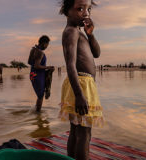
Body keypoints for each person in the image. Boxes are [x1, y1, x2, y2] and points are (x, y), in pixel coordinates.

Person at [59, 0, 104, 159]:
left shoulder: (80, 32)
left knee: (76, 130)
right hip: (80, 85)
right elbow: (70, 65)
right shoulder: (71, 32)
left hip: (82, 84)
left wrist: (91, 34)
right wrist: (79, 95)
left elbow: (97, 53)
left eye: (89, 9)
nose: (86, 13)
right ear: (67, 11)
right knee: (85, 133)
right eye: (80, 9)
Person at [28, 35, 54, 112]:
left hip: (33, 74)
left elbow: (29, 62)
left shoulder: (33, 50)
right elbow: (37, 65)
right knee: (40, 96)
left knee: (40, 95)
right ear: (44, 43)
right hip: (38, 76)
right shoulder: (40, 52)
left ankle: (36, 110)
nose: (47, 47)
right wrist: (48, 67)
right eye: (47, 44)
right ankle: (38, 114)